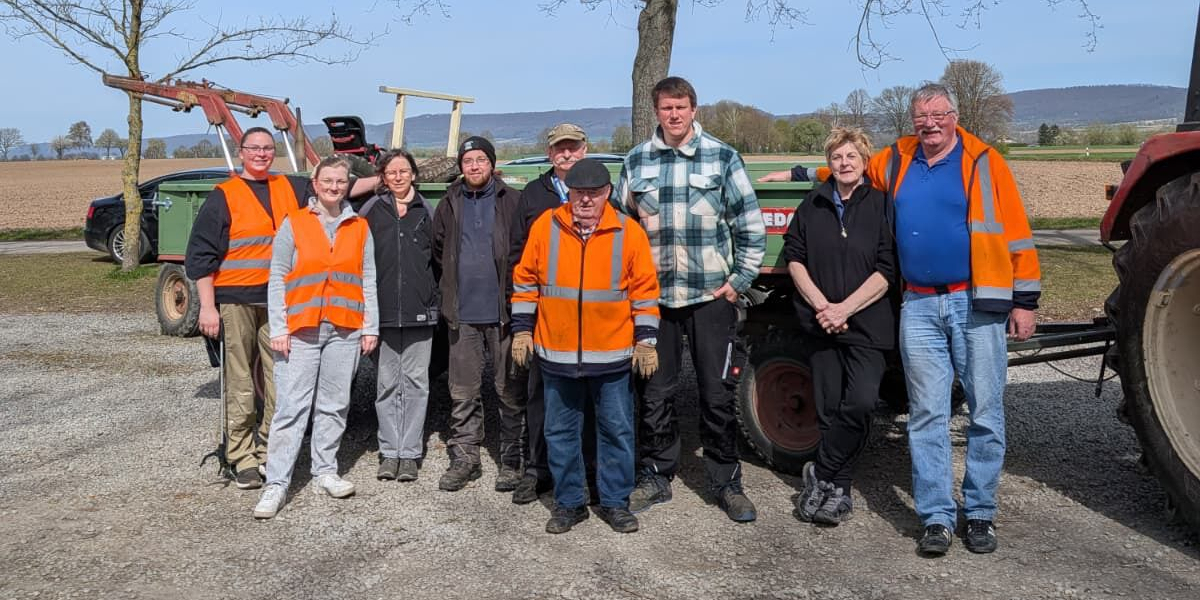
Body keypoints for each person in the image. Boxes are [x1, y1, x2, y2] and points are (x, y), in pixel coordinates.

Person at [865, 83, 1039, 555]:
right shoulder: (896, 159)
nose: (930, 124)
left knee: (985, 411)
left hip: (975, 303)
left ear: (955, 117)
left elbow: (1017, 231)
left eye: (938, 115)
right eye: (921, 116)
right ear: (913, 120)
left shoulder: (984, 161)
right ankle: (936, 517)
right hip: (918, 305)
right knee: (926, 414)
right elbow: (849, 169)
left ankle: (979, 512)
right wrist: (801, 172)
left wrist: (1025, 301)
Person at [185, 127, 375, 490]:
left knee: (280, 385)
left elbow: (340, 187)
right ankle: (241, 457)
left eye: (268, 148)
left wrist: (386, 179)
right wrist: (207, 307)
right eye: (254, 148)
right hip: (237, 300)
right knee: (241, 380)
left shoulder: (289, 186)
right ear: (241, 152)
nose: (261, 154)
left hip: (282, 303)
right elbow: (201, 256)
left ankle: (269, 452)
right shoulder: (224, 195)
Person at [614, 76, 766, 522]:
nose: (674, 115)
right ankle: (655, 475)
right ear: (657, 112)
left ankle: (725, 481)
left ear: (694, 109)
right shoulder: (637, 160)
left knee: (717, 393)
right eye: (667, 108)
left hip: (710, 296)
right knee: (654, 393)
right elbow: (621, 228)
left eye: (681, 107)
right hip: (654, 301)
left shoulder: (722, 157)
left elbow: (749, 225)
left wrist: (739, 281)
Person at [511, 158, 661, 534]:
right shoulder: (546, 227)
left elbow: (644, 290)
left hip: (612, 356)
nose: (586, 200)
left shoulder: (628, 232)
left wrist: (646, 340)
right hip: (557, 354)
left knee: (616, 432)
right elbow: (526, 280)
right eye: (579, 193)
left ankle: (615, 503)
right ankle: (569, 503)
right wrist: (522, 330)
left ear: (607, 193)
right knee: (560, 433)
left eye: (594, 193)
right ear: (569, 193)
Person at [252, 155, 380, 519]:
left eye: (340, 181)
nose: (334, 187)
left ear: (348, 185)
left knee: (335, 404)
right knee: (291, 407)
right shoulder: (294, 223)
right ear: (315, 183)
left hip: (344, 329)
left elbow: (368, 278)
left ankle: (325, 470)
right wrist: (279, 328)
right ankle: (276, 483)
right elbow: (278, 277)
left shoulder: (359, 226)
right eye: (328, 181)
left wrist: (370, 326)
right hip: (301, 329)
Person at [782, 127, 896, 526]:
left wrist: (845, 307)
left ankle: (821, 470)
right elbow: (794, 257)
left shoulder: (881, 205)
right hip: (822, 323)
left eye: (851, 157)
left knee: (861, 402)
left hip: (868, 324)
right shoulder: (812, 203)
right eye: (836, 157)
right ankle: (838, 491)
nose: (844, 163)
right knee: (829, 407)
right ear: (828, 163)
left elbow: (887, 268)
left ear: (864, 161)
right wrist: (823, 307)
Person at [506, 123, 597, 505]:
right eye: (560, 148)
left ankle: (588, 473)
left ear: (585, 150)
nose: (567, 154)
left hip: (592, 321)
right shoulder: (533, 194)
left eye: (573, 147)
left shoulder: (599, 192)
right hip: (546, 320)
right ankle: (537, 471)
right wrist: (521, 319)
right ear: (549, 154)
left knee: (588, 401)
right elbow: (517, 256)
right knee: (541, 398)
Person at [431, 136, 527, 492]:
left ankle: (512, 460)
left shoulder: (512, 200)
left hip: (504, 313)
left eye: (480, 160)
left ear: (492, 164)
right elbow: (439, 250)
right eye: (468, 160)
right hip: (463, 314)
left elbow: (522, 250)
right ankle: (465, 458)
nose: (474, 166)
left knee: (510, 389)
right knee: (463, 391)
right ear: (461, 167)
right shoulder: (449, 202)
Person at [359, 149, 439, 482]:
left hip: (420, 312)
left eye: (403, 171)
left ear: (413, 174)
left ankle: (410, 454)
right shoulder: (371, 211)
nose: (398, 177)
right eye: (391, 172)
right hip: (384, 313)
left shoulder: (426, 210)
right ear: (383, 177)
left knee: (417, 383)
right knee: (387, 384)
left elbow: (438, 259)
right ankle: (389, 452)